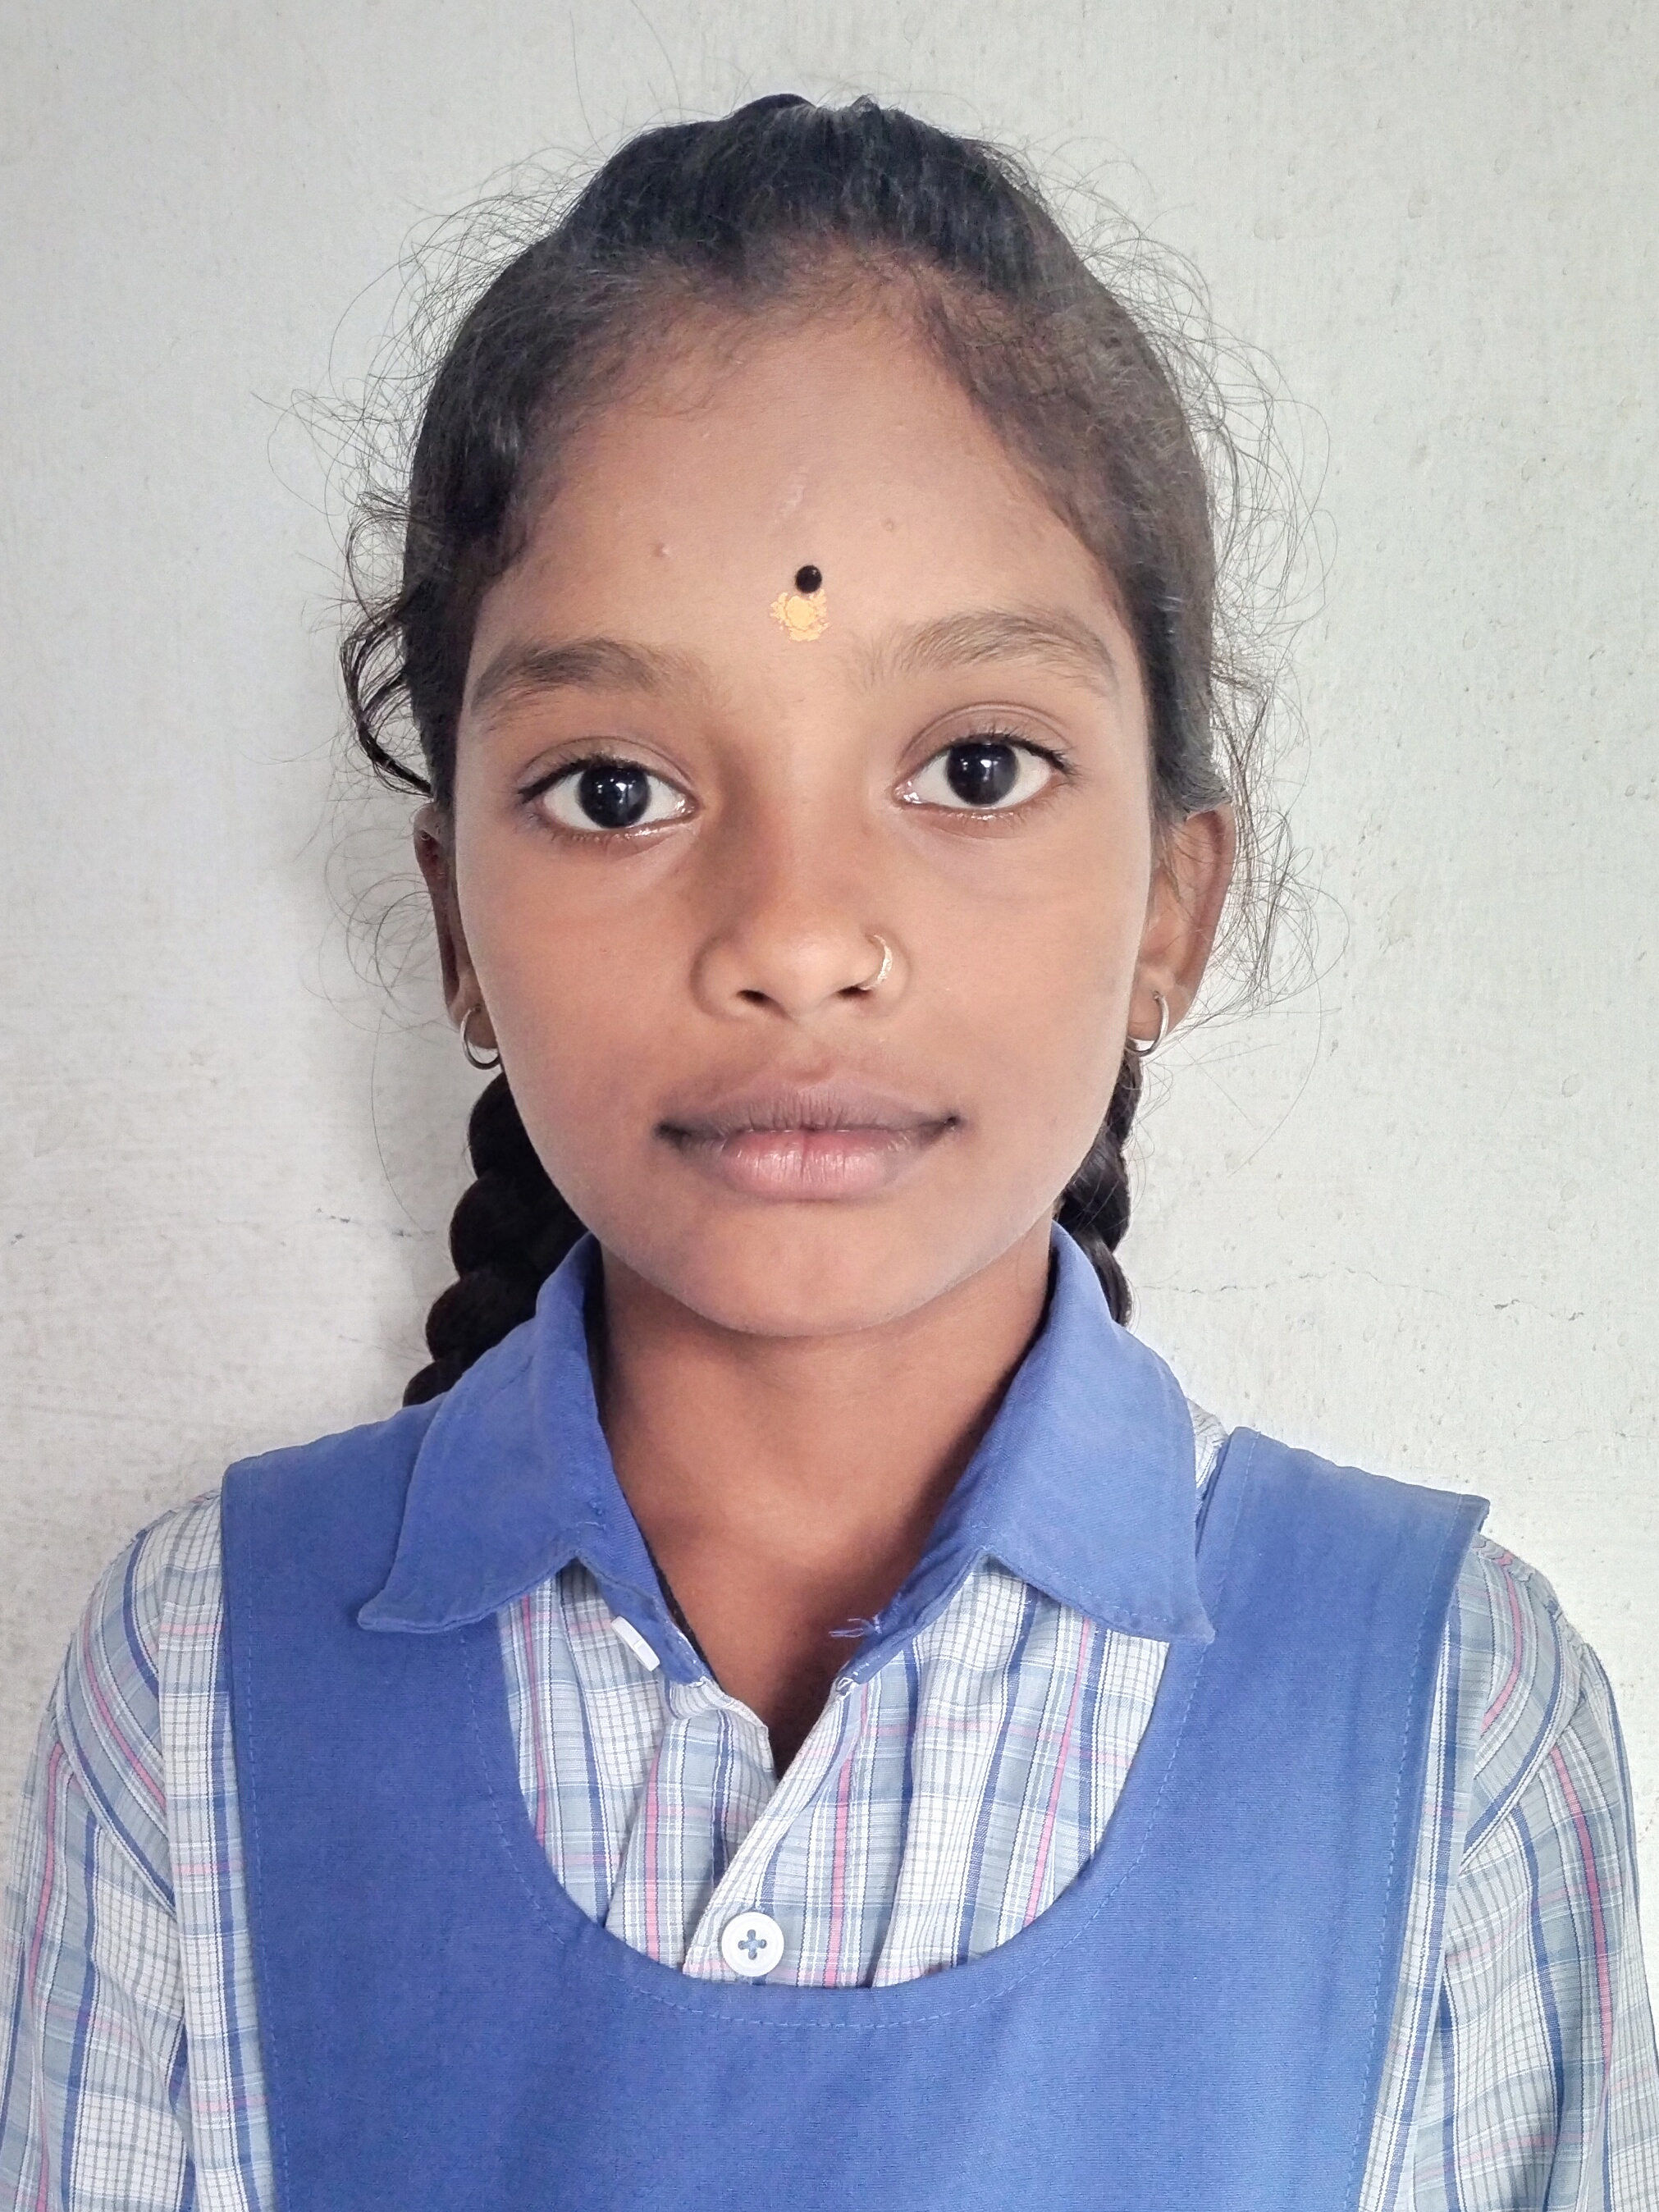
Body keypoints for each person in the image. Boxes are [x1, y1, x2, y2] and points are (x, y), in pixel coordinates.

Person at [1, 91, 1654, 2212]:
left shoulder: (1452, 1731)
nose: (794, 937)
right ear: (453, 926)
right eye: (616, 789)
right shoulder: (199, 1687)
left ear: (1174, 906)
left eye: (975, 766)